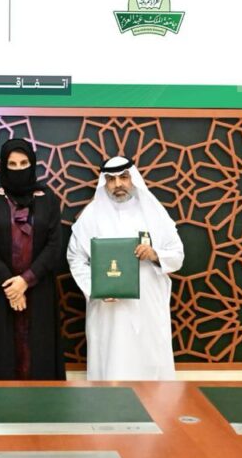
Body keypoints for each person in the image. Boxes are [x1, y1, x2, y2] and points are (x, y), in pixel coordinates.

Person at [67, 156, 185, 380]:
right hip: (108, 310)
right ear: (104, 183)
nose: (118, 184)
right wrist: (96, 289)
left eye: (123, 177)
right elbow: (76, 258)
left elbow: (177, 255)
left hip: (147, 307)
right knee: (112, 364)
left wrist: (155, 255)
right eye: (111, 179)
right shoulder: (91, 215)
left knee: (150, 366)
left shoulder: (154, 212)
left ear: (134, 179)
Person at [0, 138, 65, 380]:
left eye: (23, 163)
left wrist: (25, 281)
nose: (18, 169)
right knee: (3, 356)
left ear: (32, 164)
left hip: (39, 289)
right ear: (3, 167)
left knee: (39, 357)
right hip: (2, 291)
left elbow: (54, 245)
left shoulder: (48, 199)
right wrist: (11, 285)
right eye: (12, 164)